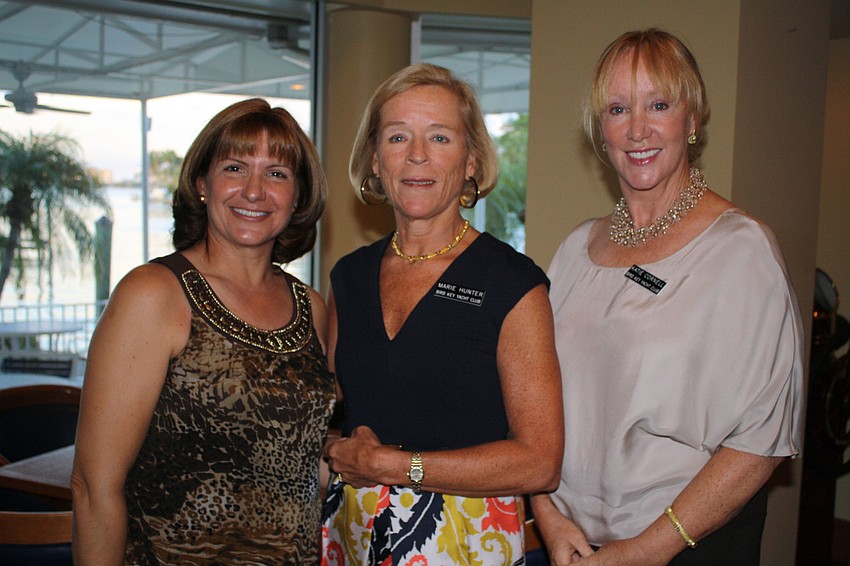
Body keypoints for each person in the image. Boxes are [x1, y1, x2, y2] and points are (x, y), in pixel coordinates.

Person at [531, 29, 805, 566]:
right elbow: (533, 400)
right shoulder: (574, 250)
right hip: (570, 544)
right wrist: (548, 514)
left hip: (686, 546)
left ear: (693, 119)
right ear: (600, 130)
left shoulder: (740, 250)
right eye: (617, 109)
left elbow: (759, 440)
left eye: (659, 105)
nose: (637, 129)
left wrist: (647, 549)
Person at [71, 98, 335, 565]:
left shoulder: (311, 308)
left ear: (297, 197)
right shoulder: (154, 294)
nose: (254, 191)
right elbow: (94, 488)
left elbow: (301, 462)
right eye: (235, 168)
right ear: (201, 184)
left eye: (276, 174)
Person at [320, 63, 563, 565]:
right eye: (397, 137)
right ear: (374, 159)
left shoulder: (512, 284)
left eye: (439, 137)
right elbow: (326, 413)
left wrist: (395, 467)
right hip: (353, 537)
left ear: (471, 161)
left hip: (466, 542)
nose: (417, 155)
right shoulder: (348, 277)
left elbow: (539, 463)